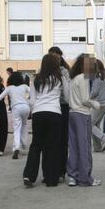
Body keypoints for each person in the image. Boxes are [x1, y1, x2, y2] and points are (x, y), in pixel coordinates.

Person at [23, 54, 69, 187]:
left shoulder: (36, 79)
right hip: (54, 113)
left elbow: (31, 100)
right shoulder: (60, 79)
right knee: (53, 146)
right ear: (56, 65)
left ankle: (29, 176)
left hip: (38, 113)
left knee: (36, 145)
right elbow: (67, 97)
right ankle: (51, 178)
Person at [67, 54, 101, 187]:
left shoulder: (74, 78)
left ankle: (73, 176)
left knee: (74, 146)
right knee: (85, 146)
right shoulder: (83, 78)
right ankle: (86, 178)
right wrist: (95, 104)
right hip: (82, 114)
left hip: (72, 113)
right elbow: (85, 100)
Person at [0, 72, 30, 159]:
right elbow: (32, 93)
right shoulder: (24, 86)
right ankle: (24, 143)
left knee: (17, 128)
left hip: (16, 108)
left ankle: (16, 147)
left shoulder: (9, 88)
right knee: (24, 125)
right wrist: (29, 101)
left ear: (10, 79)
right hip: (26, 107)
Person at [48, 46, 70, 181]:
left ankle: (61, 171)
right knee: (51, 141)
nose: (55, 58)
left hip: (63, 106)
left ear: (60, 57)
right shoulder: (45, 72)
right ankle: (51, 170)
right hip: (51, 107)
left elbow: (67, 92)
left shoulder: (64, 71)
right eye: (51, 56)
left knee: (62, 140)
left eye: (57, 56)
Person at [90, 60, 105, 152]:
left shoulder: (97, 78)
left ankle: (104, 137)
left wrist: (87, 98)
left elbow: (94, 92)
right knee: (96, 124)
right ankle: (98, 147)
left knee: (89, 124)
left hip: (98, 103)